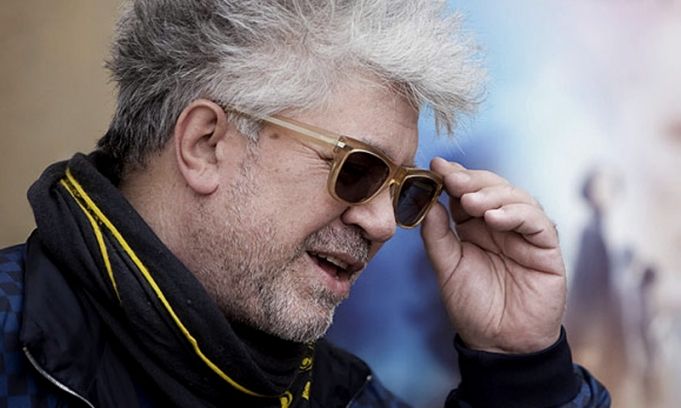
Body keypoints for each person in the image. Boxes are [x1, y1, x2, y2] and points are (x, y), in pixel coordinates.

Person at [0, 0, 609, 406]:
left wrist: (520, 371)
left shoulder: (345, 395)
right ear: (205, 144)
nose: (382, 224)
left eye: (407, 190)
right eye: (359, 169)